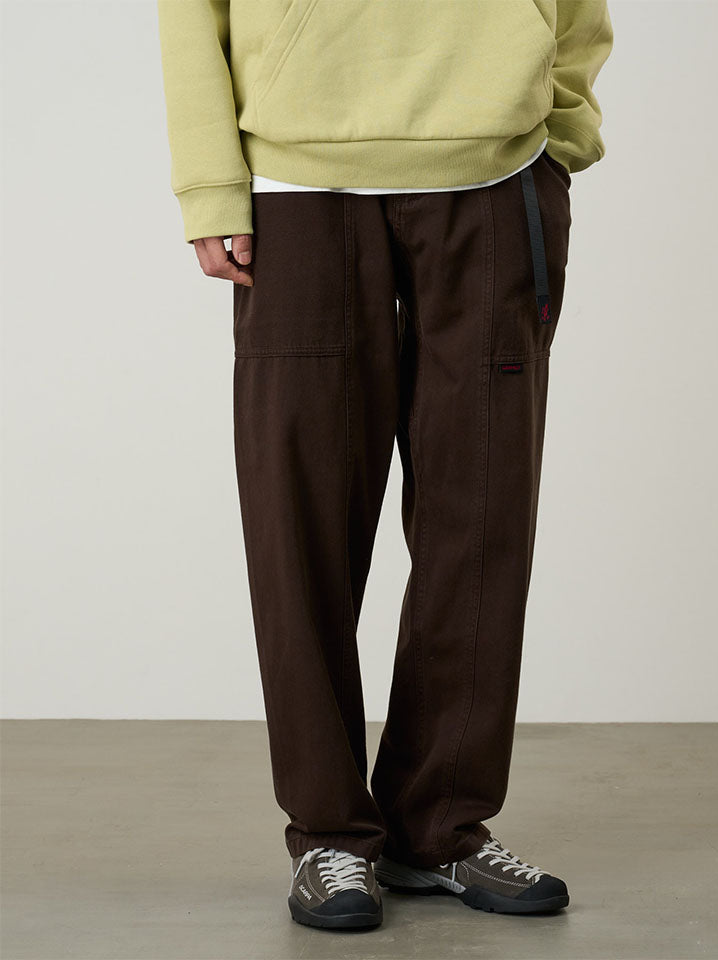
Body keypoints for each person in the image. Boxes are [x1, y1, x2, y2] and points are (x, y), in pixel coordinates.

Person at [157, 0, 613, 932]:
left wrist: (558, 130)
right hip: (296, 187)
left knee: (481, 518)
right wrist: (210, 182)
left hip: (496, 175)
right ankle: (329, 833)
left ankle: (439, 826)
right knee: (302, 527)